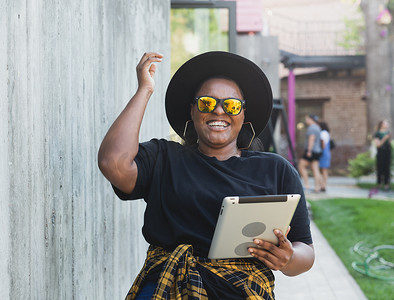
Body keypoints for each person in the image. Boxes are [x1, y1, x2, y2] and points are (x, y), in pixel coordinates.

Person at [98, 51, 314, 299]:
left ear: (243, 115)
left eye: (231, 105)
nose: (219, 111)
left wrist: (289, 258)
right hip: (167, 287)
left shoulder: (277, 170)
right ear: (192, 110)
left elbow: (305, 250)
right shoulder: (164, 158)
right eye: (207, 103)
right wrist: (144, 90)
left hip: (242, 290)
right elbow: (112, 163)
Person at [298, 114, 323, 193]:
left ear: (310, 119)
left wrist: (309, 151)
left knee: (301, 166)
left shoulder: (311, 128)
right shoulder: (318, 127)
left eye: (306, 119)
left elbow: (311, 139)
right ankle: (317, 187)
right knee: (315, 169)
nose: (306, 121)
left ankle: (306, 185)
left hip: (311, 151)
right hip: (317, 151)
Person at [373, 119, 392, 191]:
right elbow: (378, 145)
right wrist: (384, 138)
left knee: (387, 169)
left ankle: (387, 185)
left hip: (387, 152)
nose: (387, 124)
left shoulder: (388, 133)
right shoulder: (377, 134)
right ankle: (379, 184)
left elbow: (389, 143)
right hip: (380, 153)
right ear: (381, 124)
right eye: (385, 123)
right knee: (380, 168)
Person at [318, 121, 332, 192]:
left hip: (323, 152)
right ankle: (324, 184)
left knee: (321, 169)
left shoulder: (322, 133)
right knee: (324, 170)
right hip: (327, 152)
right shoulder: (327, 133)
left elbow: (323, 143)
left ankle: (323, 185)